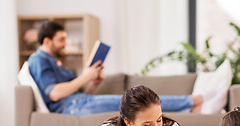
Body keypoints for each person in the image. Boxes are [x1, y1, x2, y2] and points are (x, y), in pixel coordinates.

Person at [28, 21, 206, 116]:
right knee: (132, 101)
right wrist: (85, 76)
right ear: (46, 41)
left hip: (79, 102)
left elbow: (76, 93)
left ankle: (188, 104)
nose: (65, 44)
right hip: (72, 107)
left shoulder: (53, 62)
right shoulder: (39, 60)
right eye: (61, 39)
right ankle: (190, 102)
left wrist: (93, 81)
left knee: (132, 101)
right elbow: (55, 94)